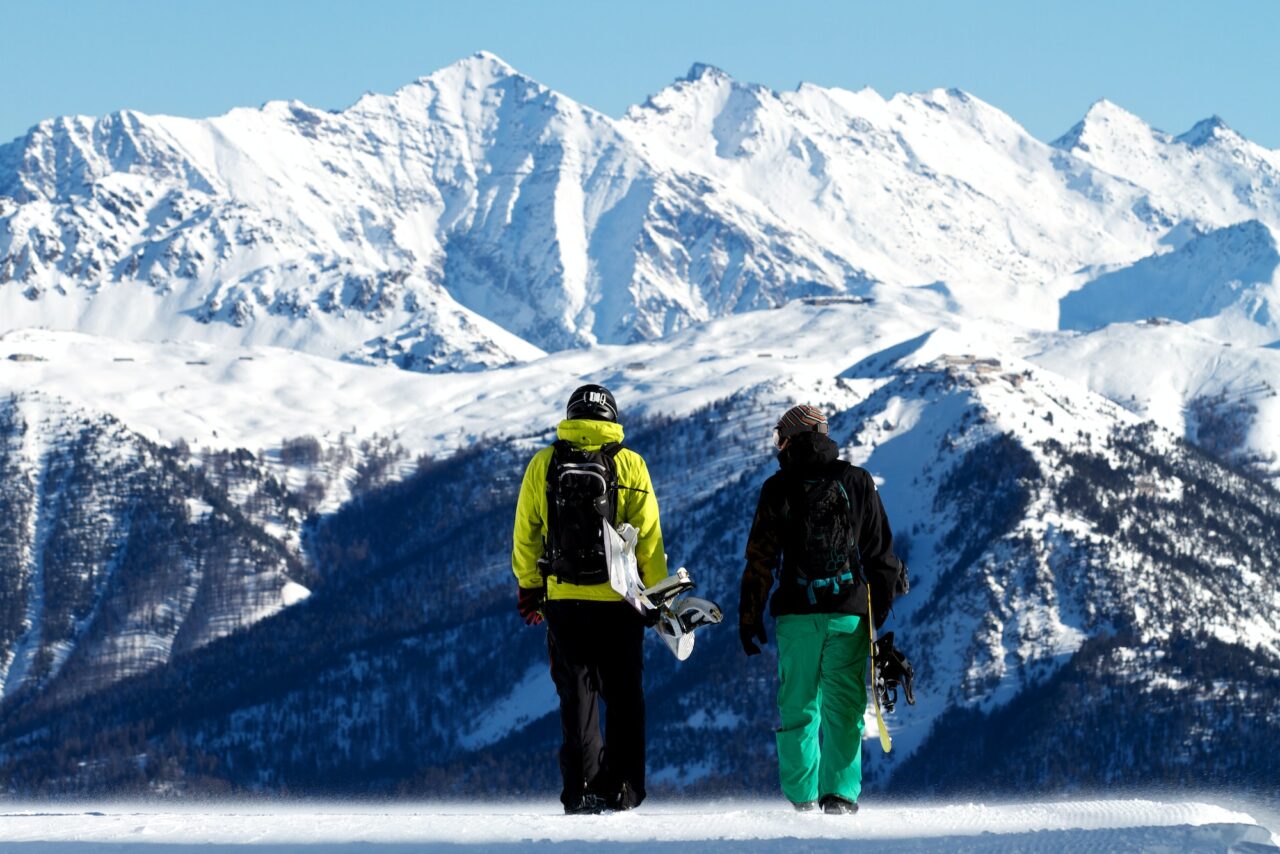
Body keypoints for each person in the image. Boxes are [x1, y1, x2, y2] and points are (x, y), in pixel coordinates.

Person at [738, 404, 907, 815]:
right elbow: (881, 555)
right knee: (844, 709)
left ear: (792, 437)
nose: (777, 444)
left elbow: (760, 560)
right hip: (848, 615)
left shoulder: (776, 488)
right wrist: (876, 617)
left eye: (780, 436)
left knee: (798, 707)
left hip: (795, 616)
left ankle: (801, 800)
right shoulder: (857, 480)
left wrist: (750, 617)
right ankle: (841, 797)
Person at [511, 384, 668, 814]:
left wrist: (530, 588)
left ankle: (581, 790)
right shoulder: (630, 464)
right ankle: (622, 790)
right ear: (612, 417)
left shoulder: (545, 463)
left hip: (564, 601)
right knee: (624, 697)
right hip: (621, 600)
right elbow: (649, 539)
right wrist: (655, 597)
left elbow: (526, 534)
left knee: (577, 697)